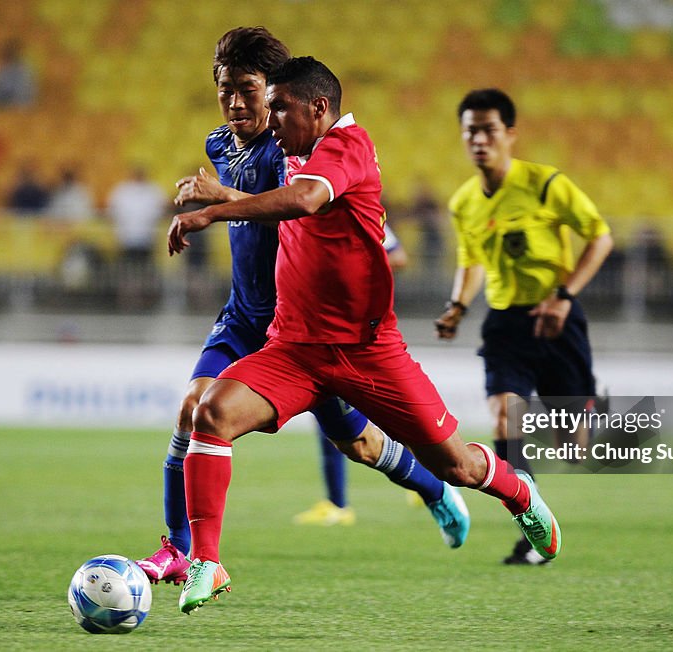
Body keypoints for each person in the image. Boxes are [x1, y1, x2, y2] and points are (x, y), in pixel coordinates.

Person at [167, 56, 561, 614]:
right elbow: (289, 200)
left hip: (366, 352)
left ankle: (518, 491)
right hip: (294, 348)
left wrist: (215, 214)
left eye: (279, 106)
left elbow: (305, 199)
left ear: (318, 108)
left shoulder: (347, 145)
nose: (269, 117)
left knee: (457, 467)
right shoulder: (291, 152)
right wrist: (226, 196)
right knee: (210, 413)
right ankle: (206, 561)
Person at [137, 29, 468, 586]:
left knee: (360, 444)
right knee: (194, 407)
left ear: (276, 95)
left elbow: (316, 209)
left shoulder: (300, 149)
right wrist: (221, 198)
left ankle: (436, 489)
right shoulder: (220, 144)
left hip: (309, 332)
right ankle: (179, 548)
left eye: (250, 90)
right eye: (226, 90)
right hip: (246, 318)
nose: (237, 104)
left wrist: (220, 200)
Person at [434, 88, 612, 565]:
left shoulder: (546, 184)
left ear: (510, 134)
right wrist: (457, 305)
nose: (479, 139)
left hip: (557, 320)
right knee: (503, 418)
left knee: (573, 449)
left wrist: (565, 295)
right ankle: (530, 521)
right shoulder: (464, 202)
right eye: (470, 130)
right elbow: (471, 261)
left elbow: (600, 237)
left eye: (488, 129)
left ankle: (584, 411)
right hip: (506, 325)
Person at [293, 221, 409, 527]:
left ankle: (432, 481)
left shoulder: (367, 218)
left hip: (363, 335)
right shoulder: (319, 220)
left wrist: (357, 267)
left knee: (390, 414)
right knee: (331, 419)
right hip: (332, 334)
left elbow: (399, 257)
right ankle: (337, 502)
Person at [106, 166, 167, 310]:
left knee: (144, 273)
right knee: (128, 273)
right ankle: (127, 302)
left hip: (146, 240)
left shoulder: (153, 191)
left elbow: (162, 210)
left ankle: (144, 302)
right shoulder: (123, 191)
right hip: (127, 239)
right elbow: (112, 212)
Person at [0, 40, 36, 107]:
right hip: (2, 102)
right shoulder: (2, 68)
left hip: (19, 104)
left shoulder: (24, 69)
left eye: (10, 53)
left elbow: (23, 92)